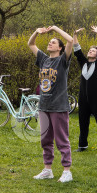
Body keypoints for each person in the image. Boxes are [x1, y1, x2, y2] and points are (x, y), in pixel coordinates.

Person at [28, 25, 74, 182]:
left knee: (61, 139)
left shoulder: (63, 60)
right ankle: (48, 170)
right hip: (44, 105)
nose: (50, 43)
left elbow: (70, 40)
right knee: (45, 140)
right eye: (49, 41)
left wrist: (55, 28)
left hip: (59, 106)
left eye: (53, 42)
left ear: (60, 48)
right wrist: (37, 32)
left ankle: (67, 171)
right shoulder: (43, 59)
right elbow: (31, 44)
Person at [72, 25, 97, 153]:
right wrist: (75, 35)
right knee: (83, 123)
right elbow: (77, 50)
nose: (90, 51)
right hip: (83, 99)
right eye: (89, 50)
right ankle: (82, 145)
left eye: (93, 51)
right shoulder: (83, 62)